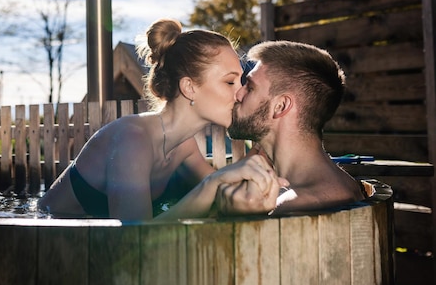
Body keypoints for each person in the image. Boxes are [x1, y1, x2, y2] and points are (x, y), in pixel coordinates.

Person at [38, 18, 286, 221]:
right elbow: (136, 237)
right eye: (230, 81)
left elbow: (222, 193)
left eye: (241, 81)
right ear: (189, 88)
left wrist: (269, 177)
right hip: (45, 247)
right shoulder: (132, 140)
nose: (240, 92)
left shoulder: (185, 146)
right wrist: (212, 185)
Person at [215, 40, 366, 215]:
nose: (238, 94)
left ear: (280, 106)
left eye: (250, 87)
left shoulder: (294, 204)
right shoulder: (331, 185)